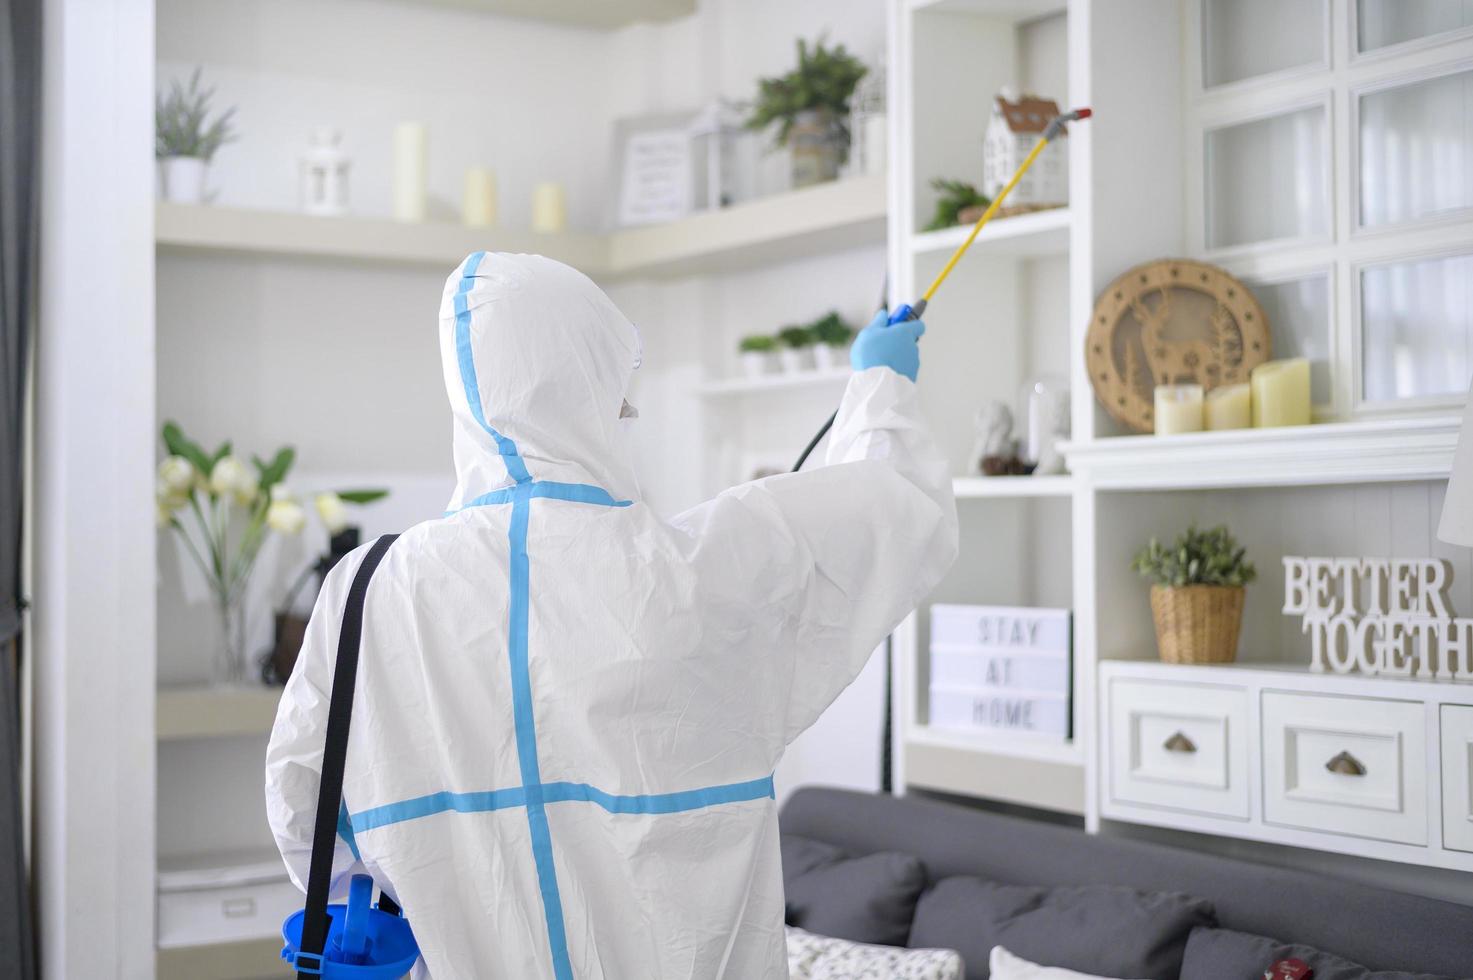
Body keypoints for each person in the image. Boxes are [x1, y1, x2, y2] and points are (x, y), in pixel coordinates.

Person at [265, 251, 957, 978]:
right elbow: (889, 510)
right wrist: (880, 384)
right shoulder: (693, 570)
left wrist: (411, 884)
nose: (627, 409)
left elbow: (303, 808)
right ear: (585, 390)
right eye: (617, 387)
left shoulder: (368, 587)